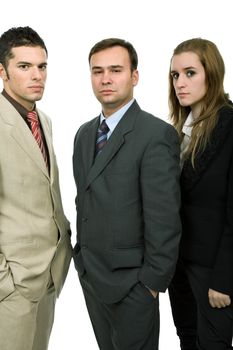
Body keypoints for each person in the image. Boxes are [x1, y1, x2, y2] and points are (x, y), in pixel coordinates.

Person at [72, 37, 181, 350]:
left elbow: (164, 218)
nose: (106, 78)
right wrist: (82, 264)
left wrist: (152, 283)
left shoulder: (155, 134)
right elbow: (85, 200)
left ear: (135, 76)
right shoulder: (83, 134)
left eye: (116, 70)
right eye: (97, 71)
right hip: (92, 277)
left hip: (133, 283)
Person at [0, 26, 72, 350]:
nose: (37, 75)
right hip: (12, 286)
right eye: (24, 66)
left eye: (42, 66)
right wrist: (5, 282)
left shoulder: (43, 119)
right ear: (2, 71)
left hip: (49, 275)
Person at [168, 38, 233, 350]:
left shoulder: (230, 126)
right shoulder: (179, 130)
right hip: (180, 268)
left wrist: (224, 279)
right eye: (175, 75)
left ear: (212, 73)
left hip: (213, 273)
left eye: (190, 73)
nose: (181, 82)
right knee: (187, 341)